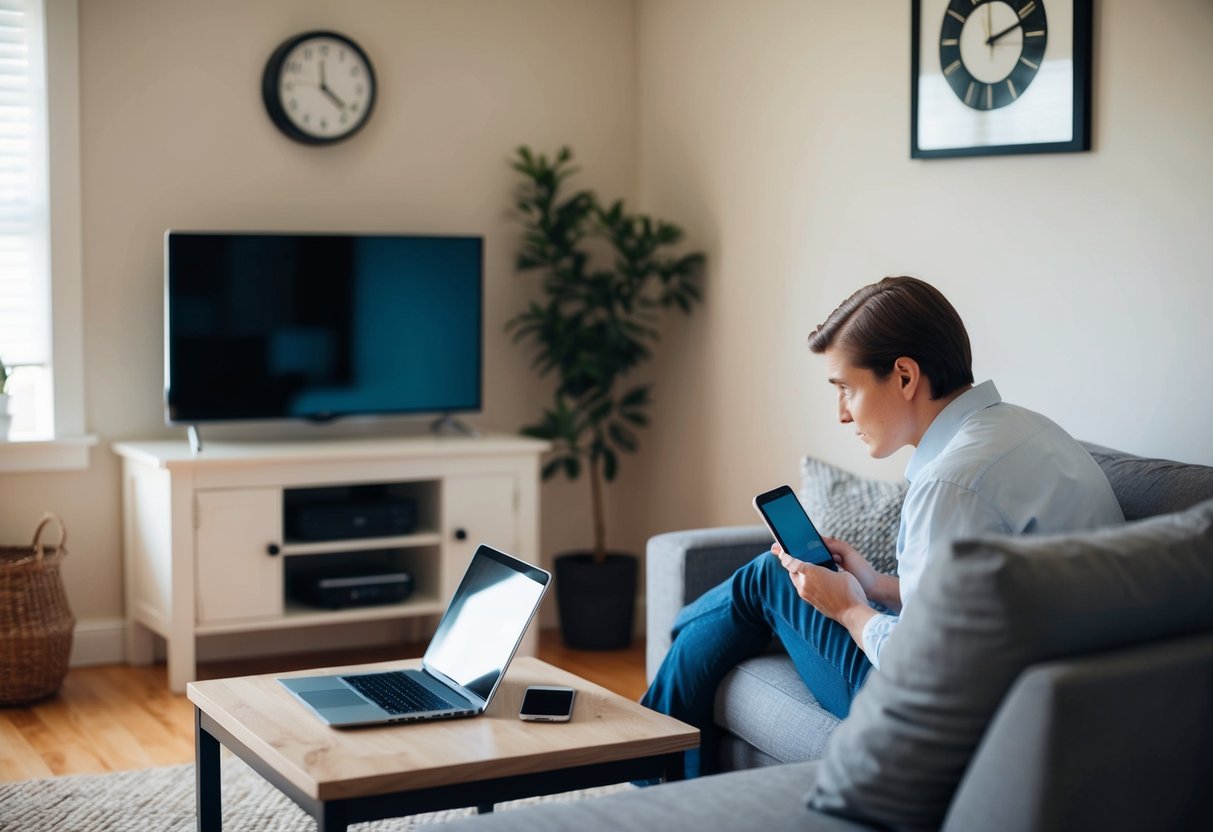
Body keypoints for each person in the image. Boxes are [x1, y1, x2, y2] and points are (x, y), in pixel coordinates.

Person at [640, 275, 1124, 779]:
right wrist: (874, 586)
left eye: (846, 389)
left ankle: (654, 762)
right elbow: (974, 605)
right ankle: (675, 683)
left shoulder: (951, 485)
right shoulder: (1031, 430)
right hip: (1044, 694)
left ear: (905, 377)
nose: (842, 414)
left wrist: (849, 607)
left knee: (768, 576)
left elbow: (922, 667)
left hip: (952, 719)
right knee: (766, 581)